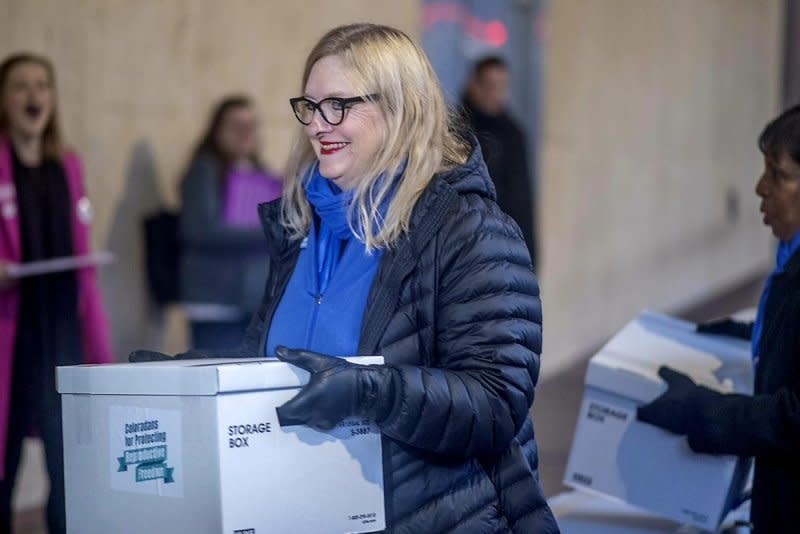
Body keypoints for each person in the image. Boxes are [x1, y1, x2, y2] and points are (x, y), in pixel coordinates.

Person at [132, 23, 558, 533]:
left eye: (339, 104)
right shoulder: (301, 227)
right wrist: (198, 376)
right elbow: (286, 363)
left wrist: (370, 392)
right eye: (310, 106)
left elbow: (495, 401)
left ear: (401, 107)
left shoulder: (469, 229)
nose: (316, 125)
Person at [637, 104, 800, 533]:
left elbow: (795, 419)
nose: (761, 188)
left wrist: (701, 411)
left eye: (778, 176)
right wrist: (737, 335)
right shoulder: (792, 264)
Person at [0, 52, 113, 533]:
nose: (34, 95)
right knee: (3, 464)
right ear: (5, 100)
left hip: (62, 329)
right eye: (22, 86)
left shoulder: (66, 166)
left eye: (43, 85)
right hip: (12, 334)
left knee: (68, 461)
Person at [179, 95, 282, 350]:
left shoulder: (261, 173)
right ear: (217, 130)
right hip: (217, 301)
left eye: (250, 126)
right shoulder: (204, 170)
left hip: (253, 301)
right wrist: (270, 231)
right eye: (236, 126)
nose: (245, 133)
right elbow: (202, 230)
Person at [462, 55, 537, 269]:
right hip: (470, 250)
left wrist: (530, 253)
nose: (495, 94)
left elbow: (522, 200)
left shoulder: (514, 134)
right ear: (473, 85)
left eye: (502, 86)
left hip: (510, 250)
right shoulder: (458, 133)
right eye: (489, 85)